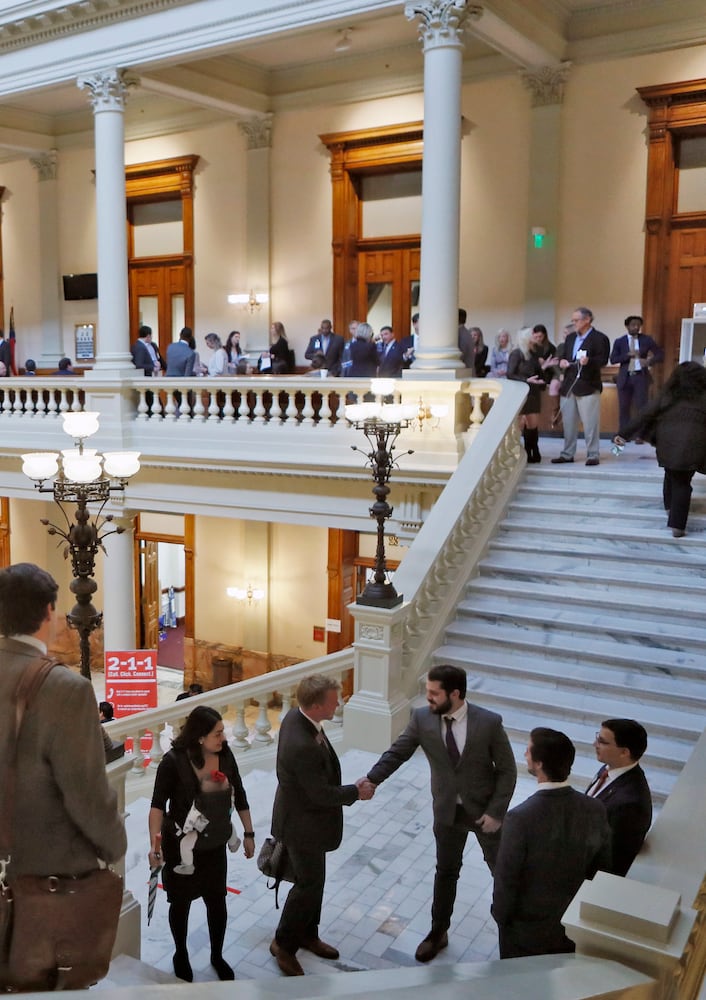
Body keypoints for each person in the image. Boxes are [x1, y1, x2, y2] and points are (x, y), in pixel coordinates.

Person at [365, 663, 517, 963]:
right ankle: (438, 932)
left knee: (502, 872)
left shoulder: (488, 723)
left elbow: (508, 771)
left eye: (434, 693)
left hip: (485, 814)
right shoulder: (422, 719)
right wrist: (371, 779)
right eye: (427, 692)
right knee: (446, 872)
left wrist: (496, 812)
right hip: (447, 812)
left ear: (455, 694)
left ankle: (513, 933)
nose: (428, 698)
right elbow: (398, 752)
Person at [0, 563, 126, 887]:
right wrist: (115, 846)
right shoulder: (68, 690)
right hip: (42, 879)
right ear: (48, 612)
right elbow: (87, 793)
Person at [270, 675, 373, 977]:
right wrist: (357, 791)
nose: (339, 704)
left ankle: (307, 933)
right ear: (316, 706)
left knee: (315, 880)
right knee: (307, 885)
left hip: (306, 820)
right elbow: (320, 794)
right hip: (301, 825)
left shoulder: (297, 717)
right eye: (333, 700)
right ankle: (283, 943)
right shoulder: (302, 744)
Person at [149, 705, 255, 982]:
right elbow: (157, 807)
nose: (223, 738)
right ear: (199, 737)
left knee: (217, 902)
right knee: (181, 904)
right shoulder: (173, 762)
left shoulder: (226, 755)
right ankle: (180, 954)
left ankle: (217, 955)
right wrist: (154, 847)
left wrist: (248, 833)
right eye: (217, 734)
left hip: (215, 845)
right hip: (181, 847)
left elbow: (239, 793)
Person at [492, 727, 611, 960]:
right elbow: (602, 868)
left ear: (538, 764)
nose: (525, 754)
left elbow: (506, 880)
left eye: (528, 751)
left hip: (526, 933)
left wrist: (502, 919)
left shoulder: (520, 818)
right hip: (573, 925)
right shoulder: (595, 808)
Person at [615, 361, 706, 537]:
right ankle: (677, 524)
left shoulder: (667, 396)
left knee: (672, 472)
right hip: (694, 447)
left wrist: (623, 434)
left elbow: (643, 415)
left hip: (667, 446)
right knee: (682, 481)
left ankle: (671, 510)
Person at [588, 719, 652, 877]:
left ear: (624, 752)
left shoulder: (631, 804)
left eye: (602, 742)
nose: (594, 744)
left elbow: (610, 858)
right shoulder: (609, 768)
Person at [551, 307, 610, 466]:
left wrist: (589, 361)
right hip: (570, 385)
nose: (574, 323)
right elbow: (565, 357)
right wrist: (563, 362)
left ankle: (592, 454)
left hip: (588, 386)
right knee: (569, 423)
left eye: (576, 320)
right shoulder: (570, 338)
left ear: (587, 320)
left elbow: (603, 360)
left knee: (590, 423)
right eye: (573, 320)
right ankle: (567, 453)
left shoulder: (600, 338)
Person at [610, 316, 664, 433]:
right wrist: (627, 355)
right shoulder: (620, 341)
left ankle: (641, 434)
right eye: (633, 324)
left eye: (638, 325)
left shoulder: (647, 339)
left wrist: (649, 361)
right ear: (627, 326)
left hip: (640, 377)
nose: (636, 327)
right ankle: (624, 433)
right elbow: (613, 359)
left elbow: (660, 354)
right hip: (625, 377)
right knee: (624, 408)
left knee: (642, 406)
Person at [507, 327, 547, 464]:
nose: (535, 336)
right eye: (532, 334)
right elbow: (510, 374)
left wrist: (542, 377)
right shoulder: (517, 354)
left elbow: (539, 373)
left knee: (533, 424)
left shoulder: (534, 353)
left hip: (533, 393)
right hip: (522, 392)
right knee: (521, 423)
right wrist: (526, 381)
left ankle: (533, 449)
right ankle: (524, 451)